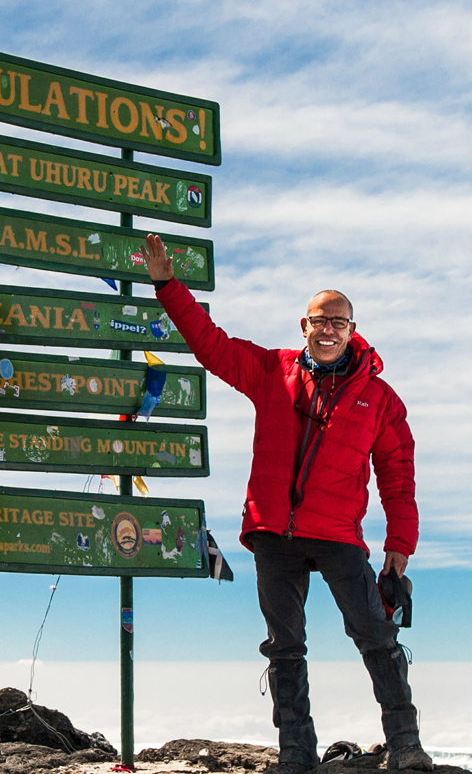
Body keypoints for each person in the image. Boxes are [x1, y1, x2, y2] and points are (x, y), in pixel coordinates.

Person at [142, 233, 434, 773]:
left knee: (376, 634)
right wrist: (167, 285)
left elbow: (398, 475)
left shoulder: (379, 398)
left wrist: (400, 545)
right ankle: (296, 753)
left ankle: (406, 744)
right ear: (304, 326)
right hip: (274, 532)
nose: (328, 330)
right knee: (284, 646)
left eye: (338, 322)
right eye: (319, 321)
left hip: (338, 534)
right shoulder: (271, 370)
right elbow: (211, 344)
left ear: (352, 330)